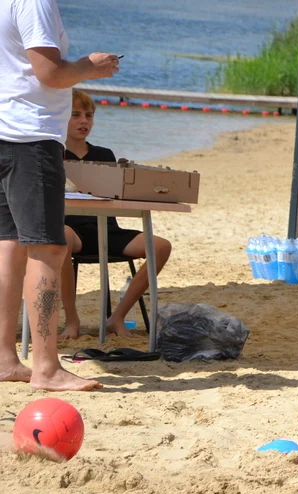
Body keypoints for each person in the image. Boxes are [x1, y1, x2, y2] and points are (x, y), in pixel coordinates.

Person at [0, 0, 118, 391]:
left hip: (4, 131)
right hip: (30, 136)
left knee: (10, 247)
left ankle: (4, 357)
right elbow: (50, 72)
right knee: (48, 249)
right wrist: (91, 66)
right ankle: (47, 366)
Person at [60, 90, 172, 339]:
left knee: (161, 247)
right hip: (72, 230)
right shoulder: (52, 153)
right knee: (61, 236)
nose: (83, 121)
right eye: (75, 115)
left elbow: (118, 195)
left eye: (89, 116)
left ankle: (117, 316)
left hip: (107, 229)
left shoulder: (104, 154)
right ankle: (71, 319)